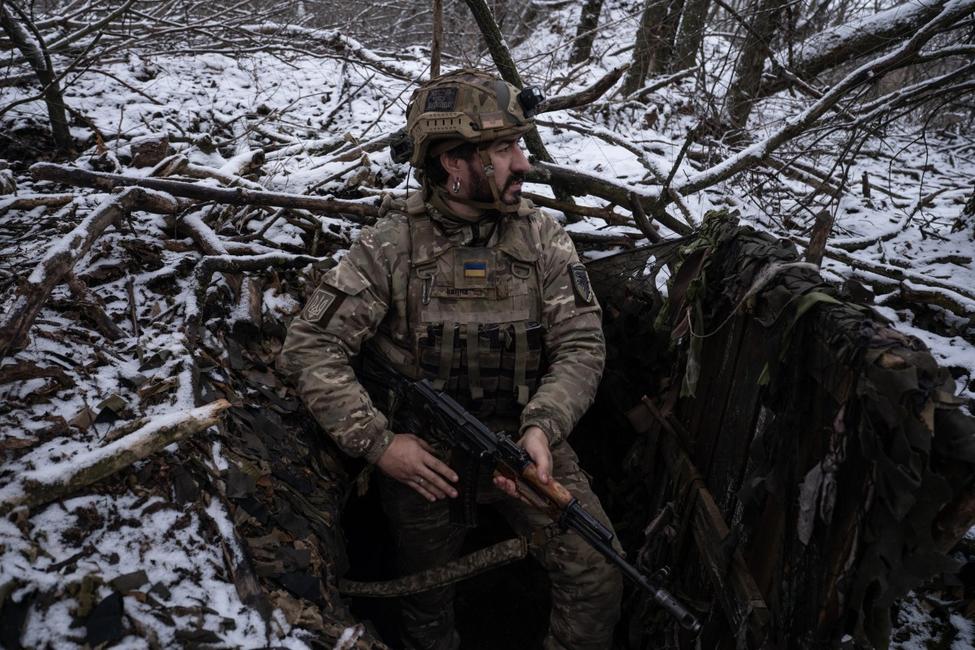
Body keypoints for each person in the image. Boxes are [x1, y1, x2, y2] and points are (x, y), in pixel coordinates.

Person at [279, 68, 622, 650]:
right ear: (453, 163)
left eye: (519, 144)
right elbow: (311, 344)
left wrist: (543, 427)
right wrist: (380, 444)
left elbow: (582, 344)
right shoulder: (391, 247)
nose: (525, 164)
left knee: (597, 569)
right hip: (424, 462)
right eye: (504, 149)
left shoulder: (543, 239)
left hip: (524, 449)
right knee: (422, 596)